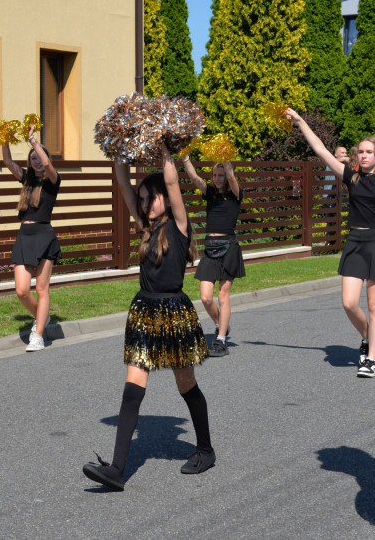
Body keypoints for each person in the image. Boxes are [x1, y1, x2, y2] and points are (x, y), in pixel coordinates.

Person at [82, 145, 214, 491]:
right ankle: (116, 470)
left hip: (174, 312)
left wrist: (167, 149)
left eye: (148, 198)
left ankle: (205, 449)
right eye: (141, 200)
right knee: (132, 390)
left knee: (185, 384)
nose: (143, 204)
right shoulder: (145, 226)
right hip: (144, 311)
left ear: (164, 199)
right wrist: (119, 147)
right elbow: (122, 182)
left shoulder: (180, 225)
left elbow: (171, 182)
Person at [286, 108, 375, 378]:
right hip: (356, 242)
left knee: (374, 304)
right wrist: (301, 121)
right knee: (349, 303)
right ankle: (367, 336)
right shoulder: (352, 177)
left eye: (369, 151)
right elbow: (322, 151)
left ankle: (371, 359)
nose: (363, 155)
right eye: (361, 151)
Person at [1, 127, 60, 352]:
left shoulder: (53, 182)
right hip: (24, 237)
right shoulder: (26, 180)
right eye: (32, 158)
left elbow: (47, 166)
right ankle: (42, 318)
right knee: (22, 291)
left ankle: (38, 336)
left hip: (44, 236)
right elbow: (7, 160)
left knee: (42, 289)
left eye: (39, 157)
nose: (36, 161)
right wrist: (4, 137)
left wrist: (34, 141)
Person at [182, 156, 244, 357]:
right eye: (215, 175)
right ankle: (221, 324)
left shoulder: (235, 194)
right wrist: (185, 158)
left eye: (221, 175)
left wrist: (226, 159)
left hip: (229, 247)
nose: (218, 179)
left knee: (222, 295)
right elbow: (194, 178)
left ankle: (221, 340)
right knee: (206, 297)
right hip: (210, 247)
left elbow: (233, 178)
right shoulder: (209, 193)